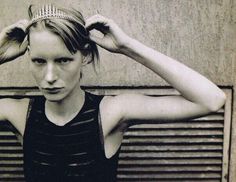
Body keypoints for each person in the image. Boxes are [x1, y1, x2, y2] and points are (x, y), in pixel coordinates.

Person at [0, 4, 226, 182]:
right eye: (38, 61)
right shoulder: (19, 114)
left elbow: (211, 99)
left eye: (63, 60)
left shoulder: (110, 113)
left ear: (85, 56)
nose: (49, 76)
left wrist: (127, 47)